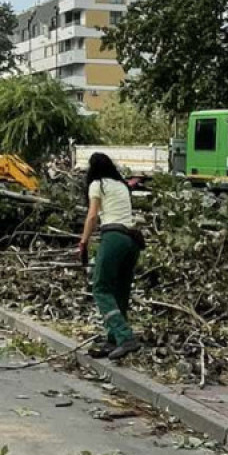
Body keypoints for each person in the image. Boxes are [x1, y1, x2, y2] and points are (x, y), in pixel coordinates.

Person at [79, 152, 144, 360]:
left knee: (101, 288)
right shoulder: (122, 185)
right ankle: (113, 339)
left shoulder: (98, 184)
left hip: (113, 237)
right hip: (132, 240)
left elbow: (92, 216)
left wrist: (83, 241)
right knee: (120, 292)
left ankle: (125, 338)